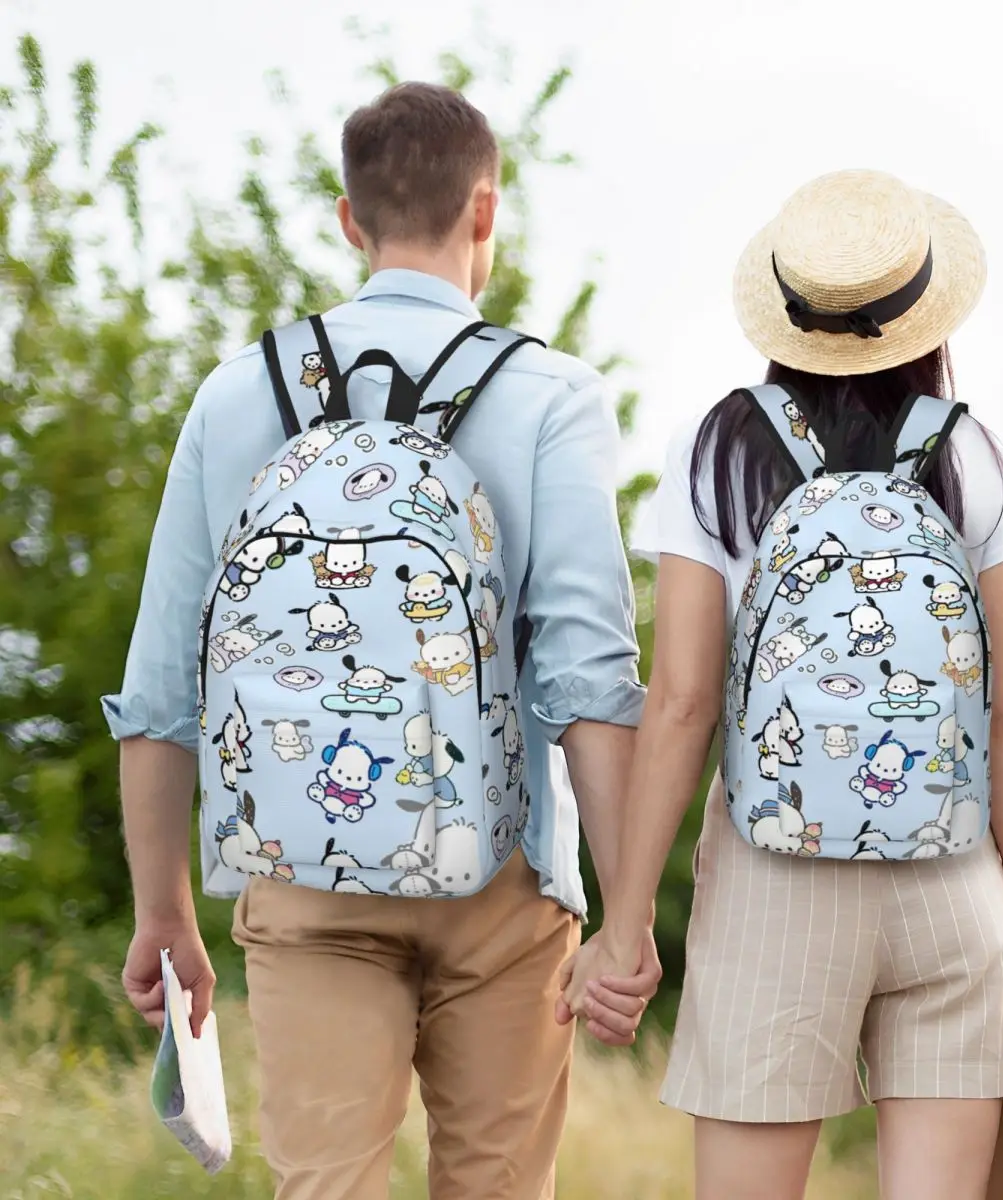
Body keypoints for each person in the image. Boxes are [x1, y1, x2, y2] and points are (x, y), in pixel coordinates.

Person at [105, 81, 659, 1200]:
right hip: (504, 876)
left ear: (350, 220)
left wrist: (162, 912)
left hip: (301, 874)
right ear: (486, 213)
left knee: (326, 1186)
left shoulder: (236, 394)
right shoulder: (551, 394)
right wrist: (627, 915)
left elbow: (163, 685)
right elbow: (590, 679)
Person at [560, 169, 1003, 1200]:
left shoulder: (718, 450)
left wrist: (623, 928)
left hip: (773, 885)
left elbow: (682, 705)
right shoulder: (974, 455)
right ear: (924, 314)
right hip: (955, 885)